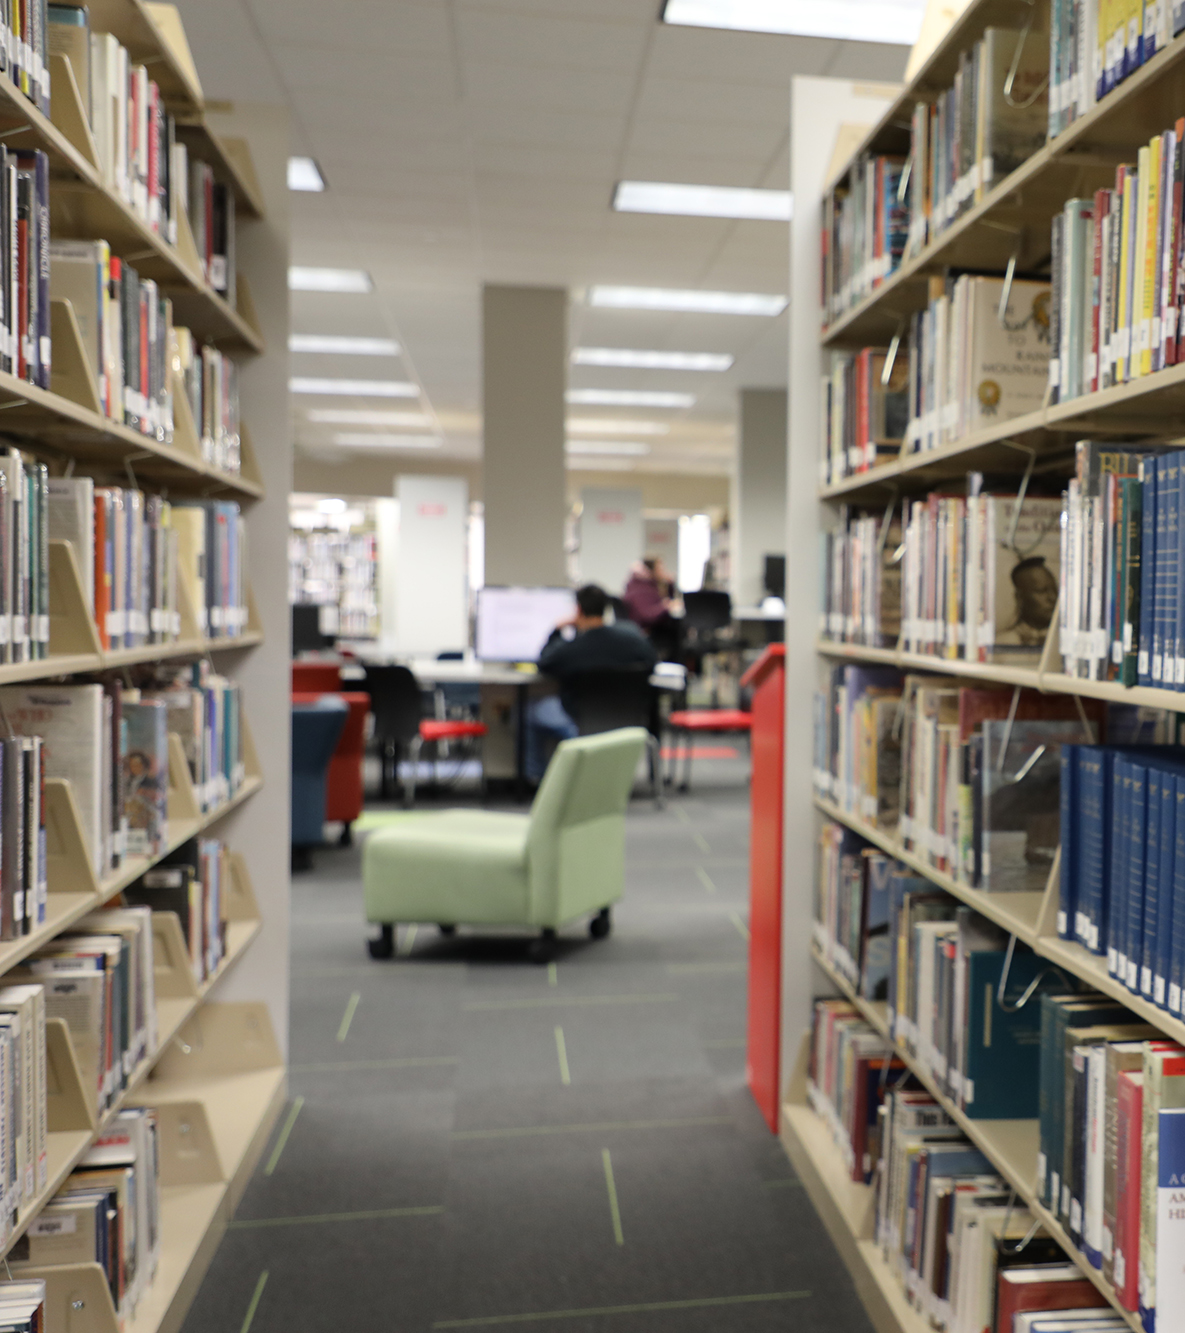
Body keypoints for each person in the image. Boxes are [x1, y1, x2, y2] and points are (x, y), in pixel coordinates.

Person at [527, 583, 658, 781]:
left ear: (578, 610)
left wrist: (556, 630)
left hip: (580, 721)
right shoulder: (632, 640)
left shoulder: (573, 649)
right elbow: (652, 660)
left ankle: (536, 778)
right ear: (606, 609)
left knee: (531, 711)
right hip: (626, 721)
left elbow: (543, 663)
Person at [622, 557, 681, 660]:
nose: (664, 571)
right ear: (651, 570)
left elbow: (667, 598)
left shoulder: (649, 585)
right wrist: (665, 607)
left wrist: (670, 584)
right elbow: (647, 617)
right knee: (677, 631)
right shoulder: (640, 588)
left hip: (650, 630)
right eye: (660, 569)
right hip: (646, 631)